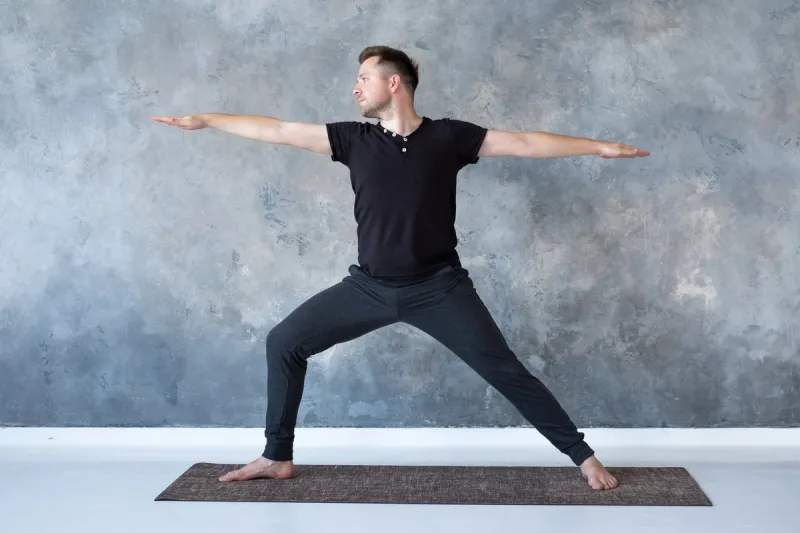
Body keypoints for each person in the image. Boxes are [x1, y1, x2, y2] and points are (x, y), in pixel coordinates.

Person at [153, 45, 649, 491]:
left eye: (363, 77)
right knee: (284, 342)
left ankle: (582, 457)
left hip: (439, 289)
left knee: (506, 372)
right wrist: (207, 119)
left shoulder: (451, 138)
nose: (355, 87)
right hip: (368, 288)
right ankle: (276, 456)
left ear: (394, 83)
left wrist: (597, 146)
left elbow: (524, 142)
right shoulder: (352, 140)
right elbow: (278, 130)